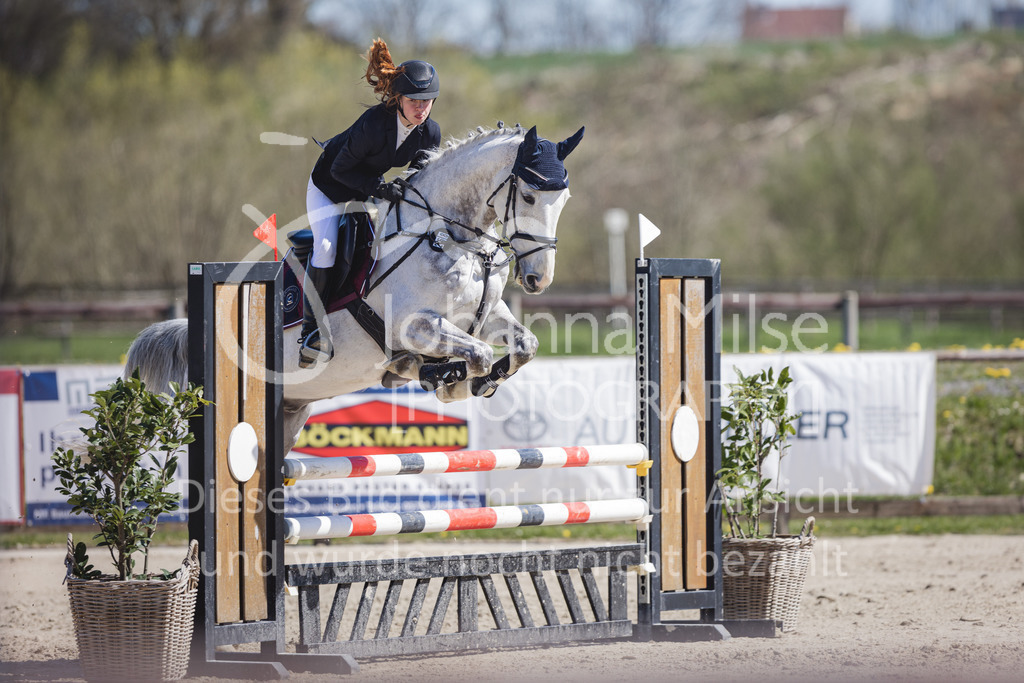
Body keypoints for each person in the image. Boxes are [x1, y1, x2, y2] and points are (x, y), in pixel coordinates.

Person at [301, 38, 441, 368]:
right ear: (398, 98)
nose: (421, 108)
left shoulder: (429, 133)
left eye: (427, 101)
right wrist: (380, 188)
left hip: (364, 189)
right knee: (326, 246)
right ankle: (311, 332)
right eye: (413, 101)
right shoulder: (374, 124)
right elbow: (340, 169)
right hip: (329, 185)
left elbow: (418, 180)